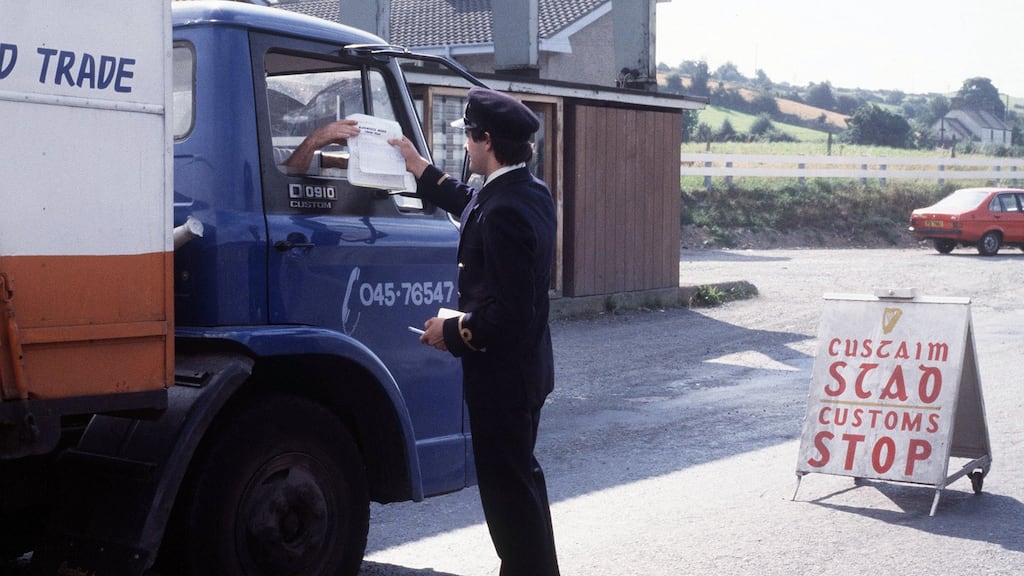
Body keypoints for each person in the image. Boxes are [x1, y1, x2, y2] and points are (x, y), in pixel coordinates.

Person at [390, 87, 560, 576]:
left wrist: (453, 329)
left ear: (485, 140)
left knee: (509, 500)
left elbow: (512, 313)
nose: (464, 146)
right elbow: (469, 201)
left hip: (503, 379)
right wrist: (418, 166)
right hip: (524, 374)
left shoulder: (504, 209)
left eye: (467, 137)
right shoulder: (526, 191)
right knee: (520, 486)